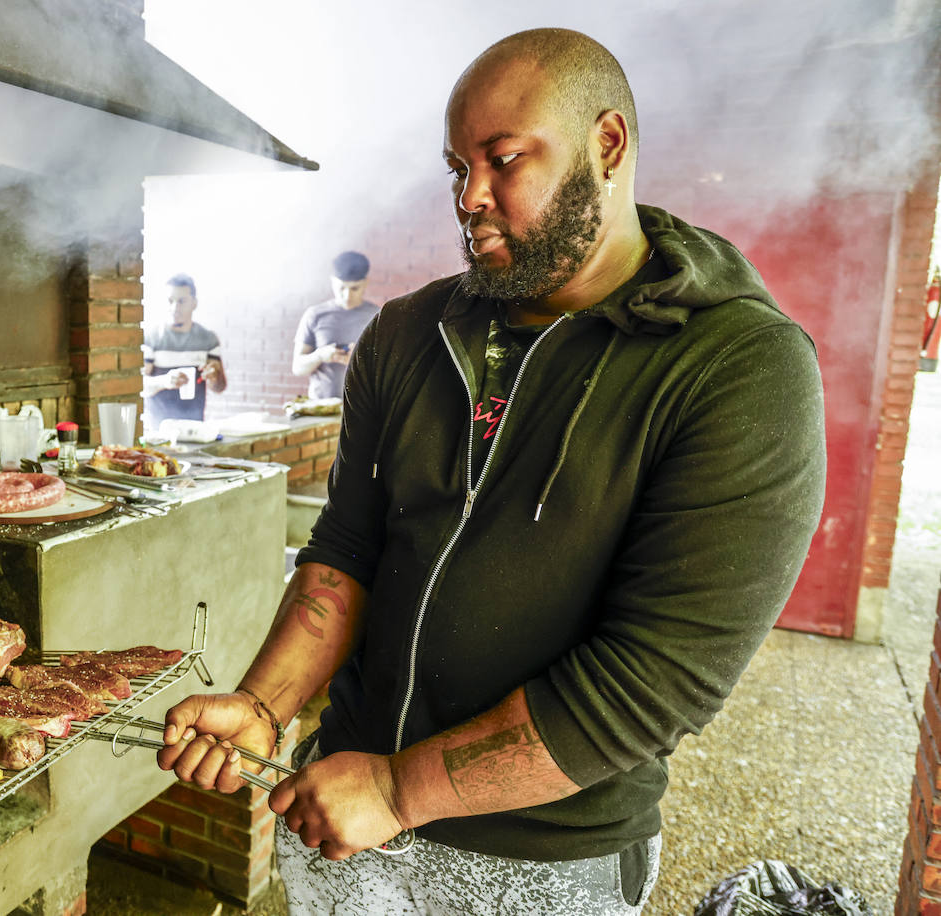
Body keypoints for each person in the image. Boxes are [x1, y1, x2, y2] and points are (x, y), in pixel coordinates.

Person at [155, 27, 826, 916]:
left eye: (503, 160)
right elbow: (346, 550)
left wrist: (400, 792)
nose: (470, 196)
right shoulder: (405, 334)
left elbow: (653, 682)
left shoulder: (739, 367)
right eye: (454, 168)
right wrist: (265, 705)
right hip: (342, 823)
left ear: (608, 145)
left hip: (545, 865)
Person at [291, 251, 380, 398]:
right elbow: (298, 368)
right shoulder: (315, 315)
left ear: (365, 283)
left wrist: (359, 362)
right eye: (342, 288)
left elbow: (387, 372)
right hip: (320, 408)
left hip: (363, 407)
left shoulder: (377, 317)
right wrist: (319, 356)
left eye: (354, 288)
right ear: (332, 281)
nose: (347, 295)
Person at [142, 273, 227, 424]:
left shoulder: (208, 339)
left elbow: (220, 387)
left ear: (194, 303)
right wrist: (165, 381)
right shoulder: (151, 338)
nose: (175, 308)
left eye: (182, 301)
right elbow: (139, 386)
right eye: (170, 301)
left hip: (195, 427)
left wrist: (215, 376)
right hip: (158, 430)